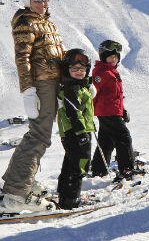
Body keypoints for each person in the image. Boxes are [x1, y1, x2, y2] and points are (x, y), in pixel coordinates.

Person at [0, 0, 64, 214]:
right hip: (41, 84)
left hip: (52, 83)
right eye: (37, 0)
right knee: (40, 137)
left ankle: (16, 182)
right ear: (27, 1)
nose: (43, 4)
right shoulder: (26, 22)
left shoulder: (45, 22)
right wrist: (28, 89)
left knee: (37, 134)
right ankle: (17, 194)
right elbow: (22, 58)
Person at [89, 39, 141, 180]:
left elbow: (117, 96)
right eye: (110, 57)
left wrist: (122, 111)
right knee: (124, 138)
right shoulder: (101, 72)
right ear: (103, 57)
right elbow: (92, 93)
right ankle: (127, 169)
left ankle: (98, 171)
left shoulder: (111, 72)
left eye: (116, 57)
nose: (113, 59)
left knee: (107, 141)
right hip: (107, 112)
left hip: (112, 111)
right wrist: (88, 112)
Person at [54, 48, 97, 209]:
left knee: (70, 163)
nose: (79, 72)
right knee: (80, 164)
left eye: (82, 69)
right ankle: (71, 199)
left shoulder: (78, 87)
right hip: (75, 132)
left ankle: (65, 195)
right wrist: (81, 133)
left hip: (75, 132)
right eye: (74, 69)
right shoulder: (71, 88)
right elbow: (74, 112)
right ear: (67, 70)